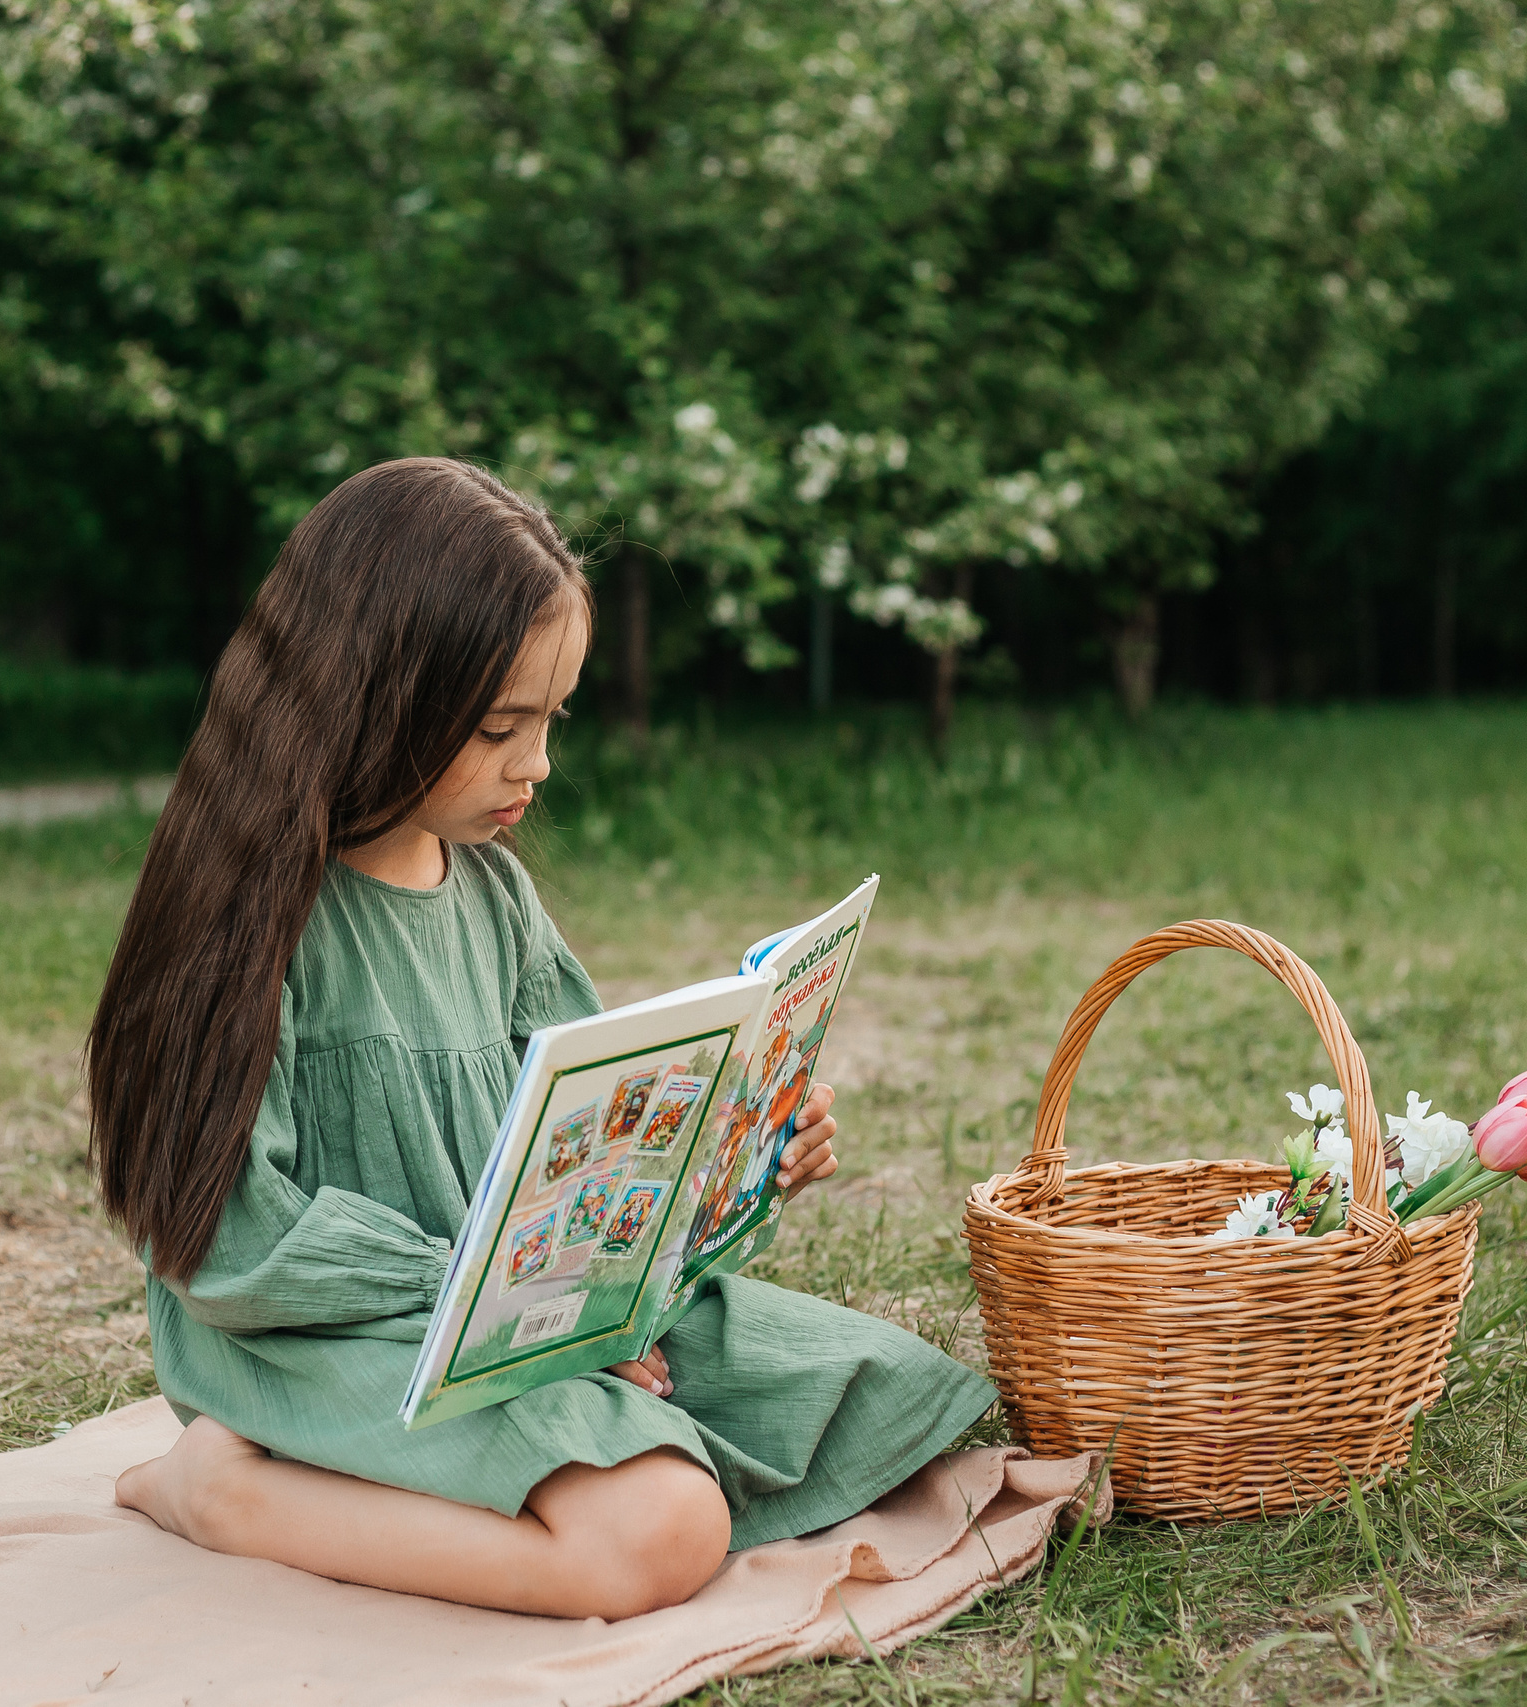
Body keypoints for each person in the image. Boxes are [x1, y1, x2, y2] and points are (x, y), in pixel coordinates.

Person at [89, 458, 996, 1621]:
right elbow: (228, 1246)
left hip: (517, 1310)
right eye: (498, 726)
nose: (538, 765)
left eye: (550, 720)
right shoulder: (254, 923)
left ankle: (517, 1428)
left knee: (880, 1393)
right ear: (365, 695)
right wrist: (510, 1310)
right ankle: (220, 1494)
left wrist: (738, 1156)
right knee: (660, 1531)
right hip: (321, 1331)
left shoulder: (495, 900)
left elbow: (592, 1155)